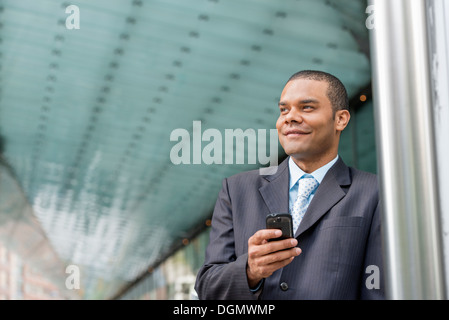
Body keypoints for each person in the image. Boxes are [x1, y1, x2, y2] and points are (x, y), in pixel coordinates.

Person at [194, 70, 384, 300]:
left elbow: (377, 290)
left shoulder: (374, 193)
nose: (289, 117)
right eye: (284, 109)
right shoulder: (237, 190)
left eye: (307, 107)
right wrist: (250, 271)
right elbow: (207, 288)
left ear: (340, 119)